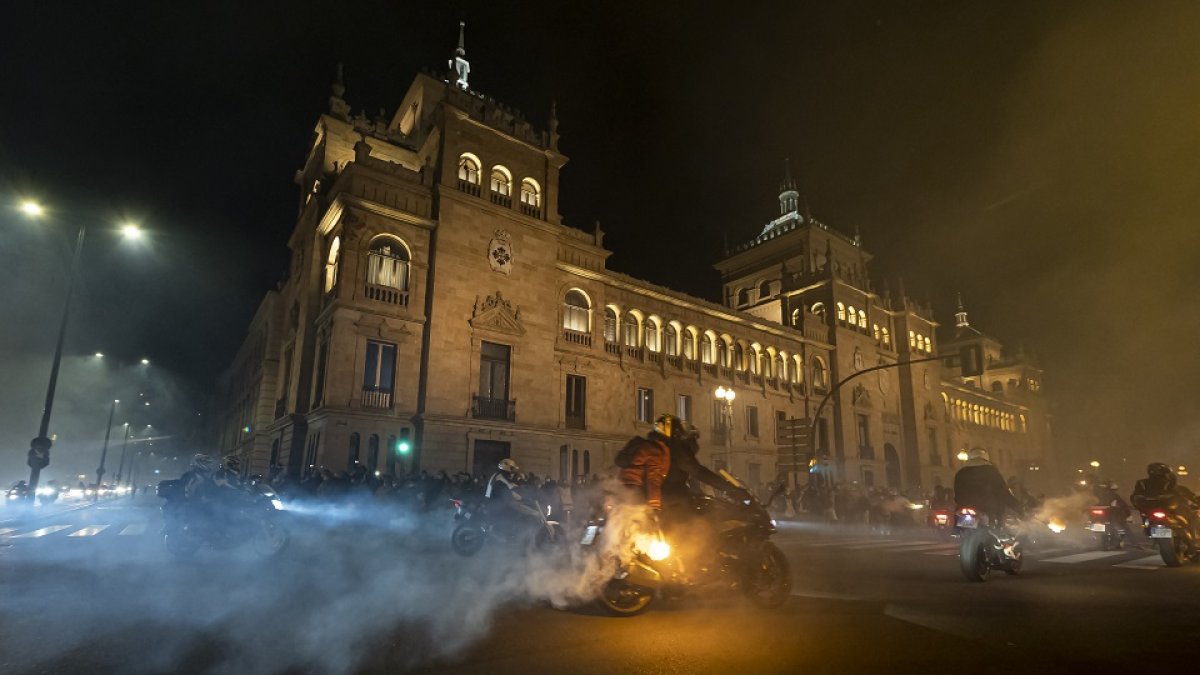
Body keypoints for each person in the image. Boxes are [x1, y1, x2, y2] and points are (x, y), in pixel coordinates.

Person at [616, 414, 676, 511]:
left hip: (622, 489)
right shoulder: (656, 450)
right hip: (638, 492)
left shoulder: (640, 445)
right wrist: (655, 505)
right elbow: (653, 478)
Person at [953, 448, 1022, 526]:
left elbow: (957, 492)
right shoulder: (991, 471)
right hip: (987, 509)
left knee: (960, 529)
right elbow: (1002, 492)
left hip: (964, 508)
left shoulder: (961, 472)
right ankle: (999, 529)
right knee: (996, 525)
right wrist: (1017, 506)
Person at [1131, 463, 1200, 539]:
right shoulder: (1169, 483)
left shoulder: (1142, 483)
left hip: (1160, 513)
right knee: (1188, 519)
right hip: (1165, 512)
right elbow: (1183, 493)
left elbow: (1135, 496)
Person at [485, 458, 543, 533]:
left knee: (518, 509)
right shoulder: (500, 478)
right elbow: (508, 490)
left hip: (496, 502)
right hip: (497, 504)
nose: (513, 472)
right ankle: (515, 535)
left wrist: (522, 494)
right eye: (512, 468)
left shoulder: (500, 475)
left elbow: (511, 487)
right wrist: (522, 498)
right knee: (520, 512)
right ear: (506, 468)